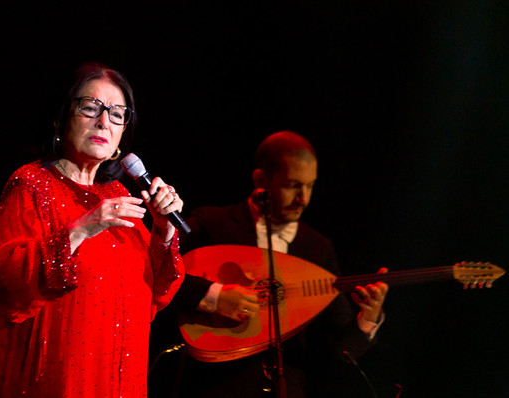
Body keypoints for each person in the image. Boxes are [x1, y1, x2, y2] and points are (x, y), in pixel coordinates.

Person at [0, 63, 185, 398]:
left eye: (117, 114)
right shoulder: (31, 184)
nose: (104, 121)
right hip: (61, 376)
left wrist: (163, 231)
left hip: (122, 375)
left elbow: (158, 293)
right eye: (90, 108)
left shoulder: (118, 195)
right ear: (62, 117)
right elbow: (7, 278)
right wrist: (77, 230)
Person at [149, 131, 389, 397]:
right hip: (214, 385)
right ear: (261, 180)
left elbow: (338, 350)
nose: (304, 198)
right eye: (293, 185)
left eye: (310, 186)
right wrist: (213, 296)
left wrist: (367, 319)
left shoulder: (316, 248)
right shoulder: (213, 223)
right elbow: (158, 273)